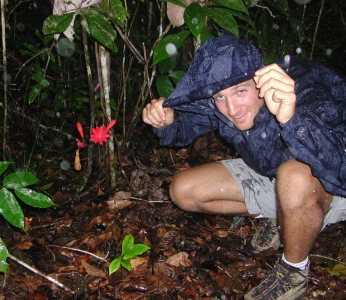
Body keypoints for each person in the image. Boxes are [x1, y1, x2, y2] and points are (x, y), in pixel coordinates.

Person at [142, 35, 346, 299]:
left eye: (241, 91)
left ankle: (293, 272)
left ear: (259, 80)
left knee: (293, 176)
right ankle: (280, 216)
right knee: (183, 189)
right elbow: (188, 126)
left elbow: (340, 163)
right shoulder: (223, 102)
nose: (232, 108)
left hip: (330, 185)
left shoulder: (304, 87)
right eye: (220, 96)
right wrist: (166, 121)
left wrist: (293, 118)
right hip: (274, 176)